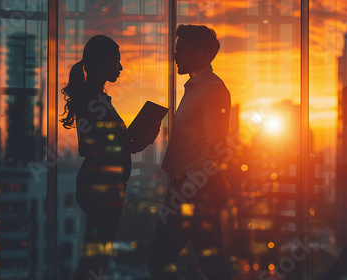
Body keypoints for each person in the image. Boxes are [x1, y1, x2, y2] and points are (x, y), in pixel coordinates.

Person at [60, 35, 158, 280]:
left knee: (96, 258)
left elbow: (104, 143)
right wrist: (131, 143)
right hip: (101, 188)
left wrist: (130, 143)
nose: (121, 68)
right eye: (117, 61)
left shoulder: (94, 97)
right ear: (103, 62)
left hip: (103, 186)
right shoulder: (92, 99)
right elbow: (91, 146)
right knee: (95, 260)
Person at [147, 25, 232, 279]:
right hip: (192, 188)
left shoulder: (213, 89)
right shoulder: (196, 88)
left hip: (194, 190)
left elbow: (215, 148)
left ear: (199, 52)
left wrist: (187, 189)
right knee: (212, 265)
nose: (174, 56)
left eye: (180, 50)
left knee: (159, 261)